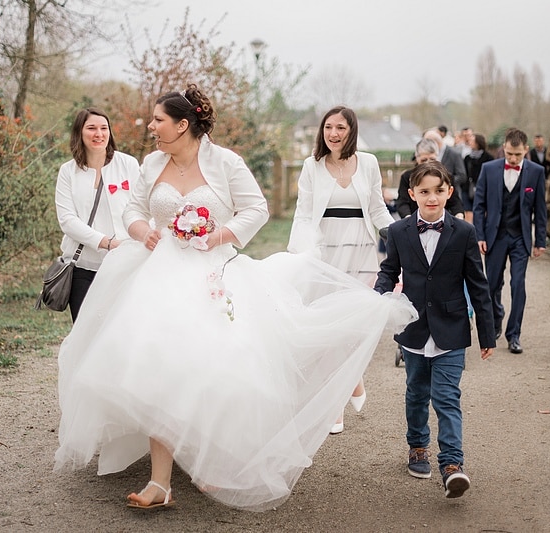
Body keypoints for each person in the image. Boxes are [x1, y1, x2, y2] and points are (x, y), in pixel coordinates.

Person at [53, 84, 417, 511]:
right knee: (156, 367)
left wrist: (218, 235)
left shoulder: (226, 163)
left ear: (183, 125)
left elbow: (256, 209)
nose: (150, 127)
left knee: (215, 369)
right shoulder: (151, 164)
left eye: (158, 120)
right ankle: (160, 482)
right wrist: (141, 230)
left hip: (214, 273)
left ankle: (210, 461)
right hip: (159, 274)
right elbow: (133, 209)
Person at [374, 160, 495, 499]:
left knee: (446, 397)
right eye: (424, 192)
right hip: (412, 328)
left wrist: (486, 334)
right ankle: (417, 446)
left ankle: (453, 465)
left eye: (438, 191)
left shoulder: (464, 232)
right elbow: (388, 271)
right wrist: (378, 298)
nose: (432, 198)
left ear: (449, 193)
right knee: (416, 392)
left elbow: (479, 285)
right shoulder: (397, 232)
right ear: (412, 194)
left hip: (452, 327)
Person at [287, 105, 396, 434]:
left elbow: (377, 208)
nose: (333, 134)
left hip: (362, 254)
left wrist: (400, 237)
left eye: (341, 128)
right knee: (329, 328)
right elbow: (304, 213)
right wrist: (299, 252)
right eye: (328, 127)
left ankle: (344, 391)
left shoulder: (369, 163)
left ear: (352, 132)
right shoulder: (311, 166)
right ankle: (345, 392)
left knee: (353, 328)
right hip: (324, 256)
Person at [54, 107, 139, 322]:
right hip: (83, 265)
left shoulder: (127, 164)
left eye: (104, 128)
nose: (98, 134)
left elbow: (141, 208)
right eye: (91, 128)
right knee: (84, 331)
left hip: (124, 263)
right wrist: (106, 242)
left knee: (121, 330)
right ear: (79, 133)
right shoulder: (68, 171)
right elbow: (67, 220)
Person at [472, 128, 547, 354]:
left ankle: (514, 335)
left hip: (520, 238)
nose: (513, 159)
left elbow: (540, 209)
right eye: (510, 154)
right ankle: (495, 320)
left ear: (525, 150)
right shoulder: (489, 169)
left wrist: (540, 241)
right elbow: (479, 206)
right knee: (492, 285)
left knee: (518, 286)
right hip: (495, 237)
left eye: (518, 155)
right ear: (504, 148)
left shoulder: (536, 172)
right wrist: (480, 236)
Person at [397, 138, 464, 220]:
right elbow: (402, 202)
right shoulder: (407, 177)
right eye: (424, 160)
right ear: (416, 158)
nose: (428, 163)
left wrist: (459, 216)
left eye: (432, 159)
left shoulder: (446, 176)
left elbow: (454, 201)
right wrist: (408, 218)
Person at [423, 129, 466, 197]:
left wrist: (443, 182)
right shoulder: (428, 154)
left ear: (435, 142)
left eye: (427, 143)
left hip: (452, 197)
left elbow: (462, 176)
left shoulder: (454, 154)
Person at [462, 133, 494, 223]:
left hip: (483, 189)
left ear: (478, 142)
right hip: (468, 189)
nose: (470, 142)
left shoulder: (488, 158)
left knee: (481, 213)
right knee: (468, 213)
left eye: (472, 140)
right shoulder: (467, 158)